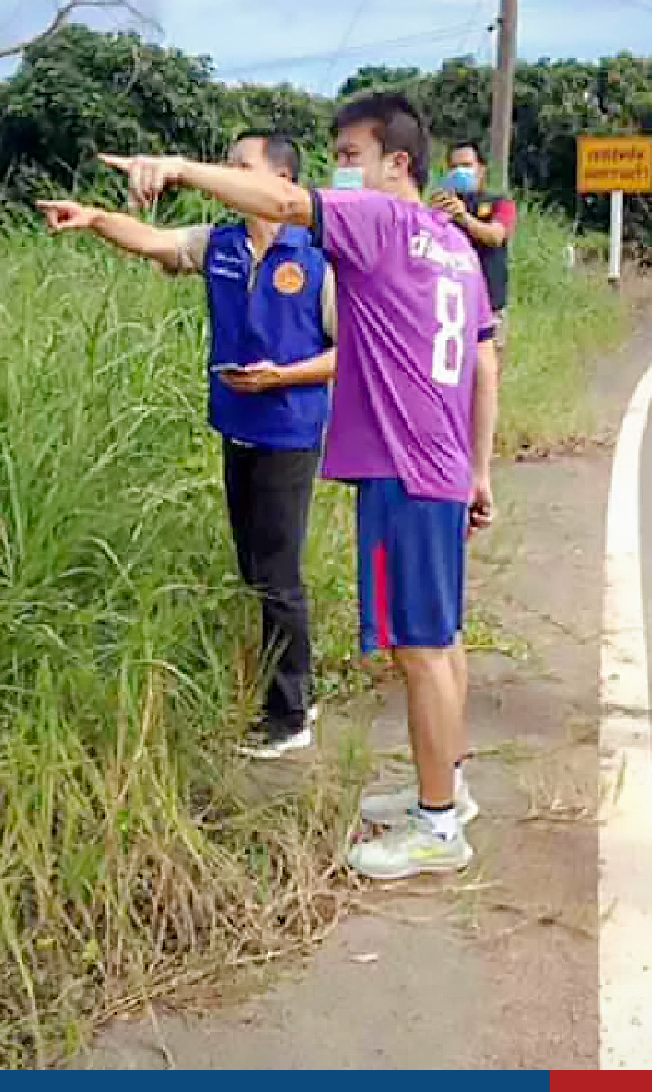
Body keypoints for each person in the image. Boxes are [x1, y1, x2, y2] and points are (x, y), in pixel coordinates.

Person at [98, 91, 499, 881]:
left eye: (349, 156)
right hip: (442, 462)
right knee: (442, 640)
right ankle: (444, 784)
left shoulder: (383, 223)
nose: (337, 172)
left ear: (398, 163)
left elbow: (284, 201)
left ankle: (437, 826)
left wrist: (176, 167)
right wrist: (479, 466)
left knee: (419, 649)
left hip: (403, 467)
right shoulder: (451, 244)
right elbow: (485, 360)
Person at [37, 130, 338, 759]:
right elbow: (152, 239)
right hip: (235, 423)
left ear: (282, 183)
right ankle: (293, 688)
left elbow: (352, 352)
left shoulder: (319, 254)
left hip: (290, 429)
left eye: (240, 168)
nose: (225, 176)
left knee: (279, 576)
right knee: (256, 570)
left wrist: (284, 376)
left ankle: (290, 715)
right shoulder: (219, 243)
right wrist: (93, 219)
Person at [430, 141, 516, 353]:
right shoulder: (442, 204)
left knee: (488, 373)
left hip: (490, 304)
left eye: (467, 165)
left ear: (481, 169)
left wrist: (463, 217)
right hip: (450, 308)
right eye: (454, 167)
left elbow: (496, 236)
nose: (460, 172)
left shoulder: (499, 203)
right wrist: (433, 215)